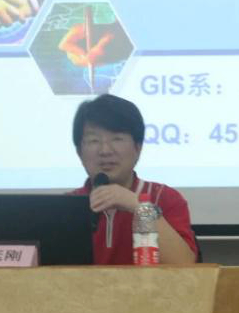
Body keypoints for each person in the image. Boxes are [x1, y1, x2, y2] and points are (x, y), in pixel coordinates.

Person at [69, 94, 198, 265]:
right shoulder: (67, 206)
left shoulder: (165, 198)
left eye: (117, 139)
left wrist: (139, 207)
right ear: (79, 152)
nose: (105, 150)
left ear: (138, 148)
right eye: (93, 141)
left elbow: (185, 265)